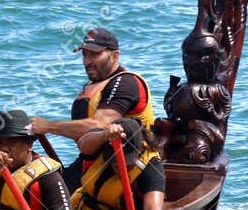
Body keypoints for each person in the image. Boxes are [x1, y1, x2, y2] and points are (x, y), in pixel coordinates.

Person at [27, 26, 156, 192]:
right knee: (35, 190)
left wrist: (48, 126)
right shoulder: (93, 86)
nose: (87, 61)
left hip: (126, 166)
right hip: (92, 162)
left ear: (115, 55)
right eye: (85, 54)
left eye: (95, 54)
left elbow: (99, 125)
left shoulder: (126, 83)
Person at [70, 117, 166, 210]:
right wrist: (104, 134)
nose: (120, 169)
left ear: (140, 149)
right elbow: (83, 145)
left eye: (127, 164)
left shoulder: (151, 169)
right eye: (115, 164)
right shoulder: (102, 143)